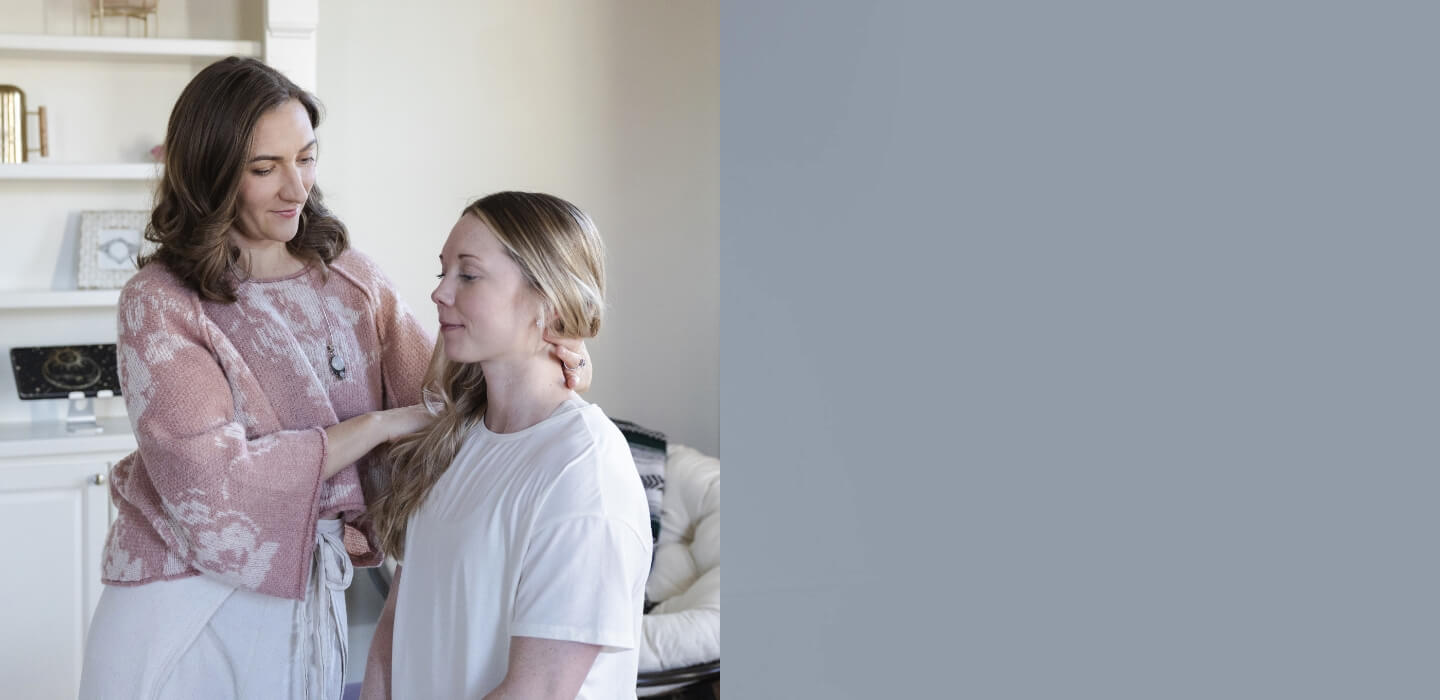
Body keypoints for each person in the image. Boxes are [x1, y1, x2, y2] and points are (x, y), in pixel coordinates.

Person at [77, 58, 590, 700]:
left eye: (307, 158)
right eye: (265, 169)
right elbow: (206, 482)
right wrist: (369, 427)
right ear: (210, 173)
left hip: (304, 592)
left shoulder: (351, 279)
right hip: (180, 591)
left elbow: (444, 401)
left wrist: (545, 355)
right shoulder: (160, 301)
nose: (296, 187)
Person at [359, 192, 651, 700]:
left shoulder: (584, 470)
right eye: (442, 272)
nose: (440, 293)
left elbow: (537, 691)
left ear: (549, 300)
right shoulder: (454, 443)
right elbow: (393, 636)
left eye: (468, 275)